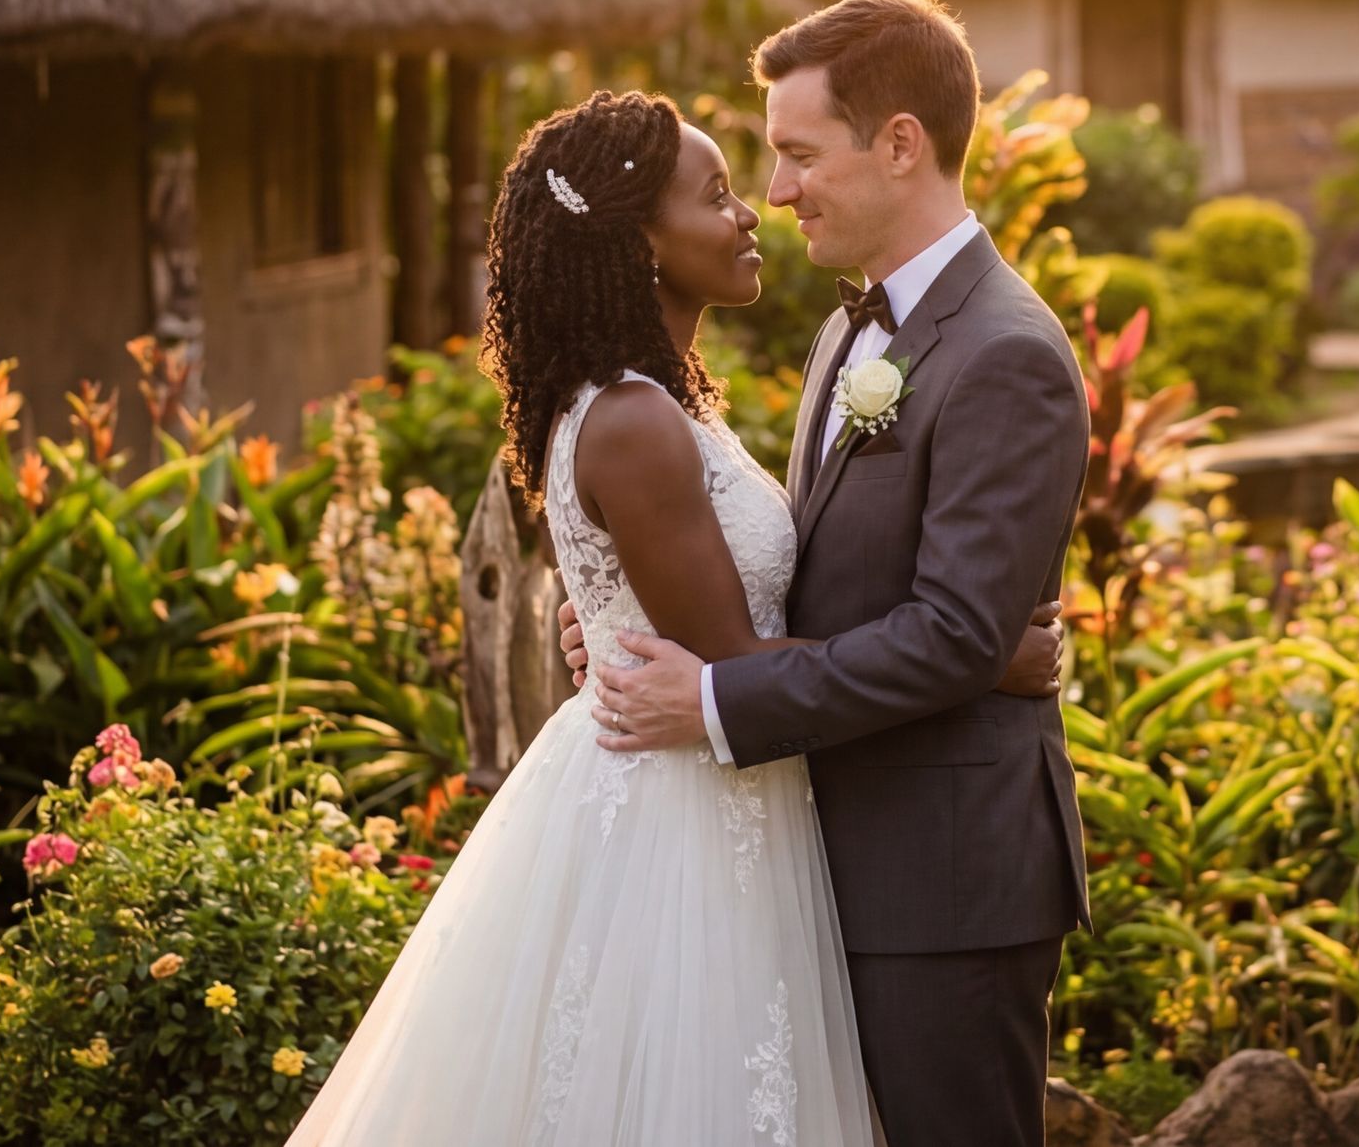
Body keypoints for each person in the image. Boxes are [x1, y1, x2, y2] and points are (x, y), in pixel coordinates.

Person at [284, 84, 1064, 1145]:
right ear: (639, 245)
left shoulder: (666, 399)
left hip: (736, 793)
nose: (752, 211)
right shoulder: (637, 419)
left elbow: (707, 613)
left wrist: (601, 622)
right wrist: (980, 659)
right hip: (688, 821)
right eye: (720, 195)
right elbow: (730, 659)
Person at [570, 0, 1093, 1147]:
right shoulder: (850, 330)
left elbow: (951, 634)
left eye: (800, 154)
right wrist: (635, 621)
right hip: (820, 860)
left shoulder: (1006, 355)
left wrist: (708, 697)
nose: (777, 192)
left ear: (899, 143)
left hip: (942, 881)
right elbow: (863, 593)